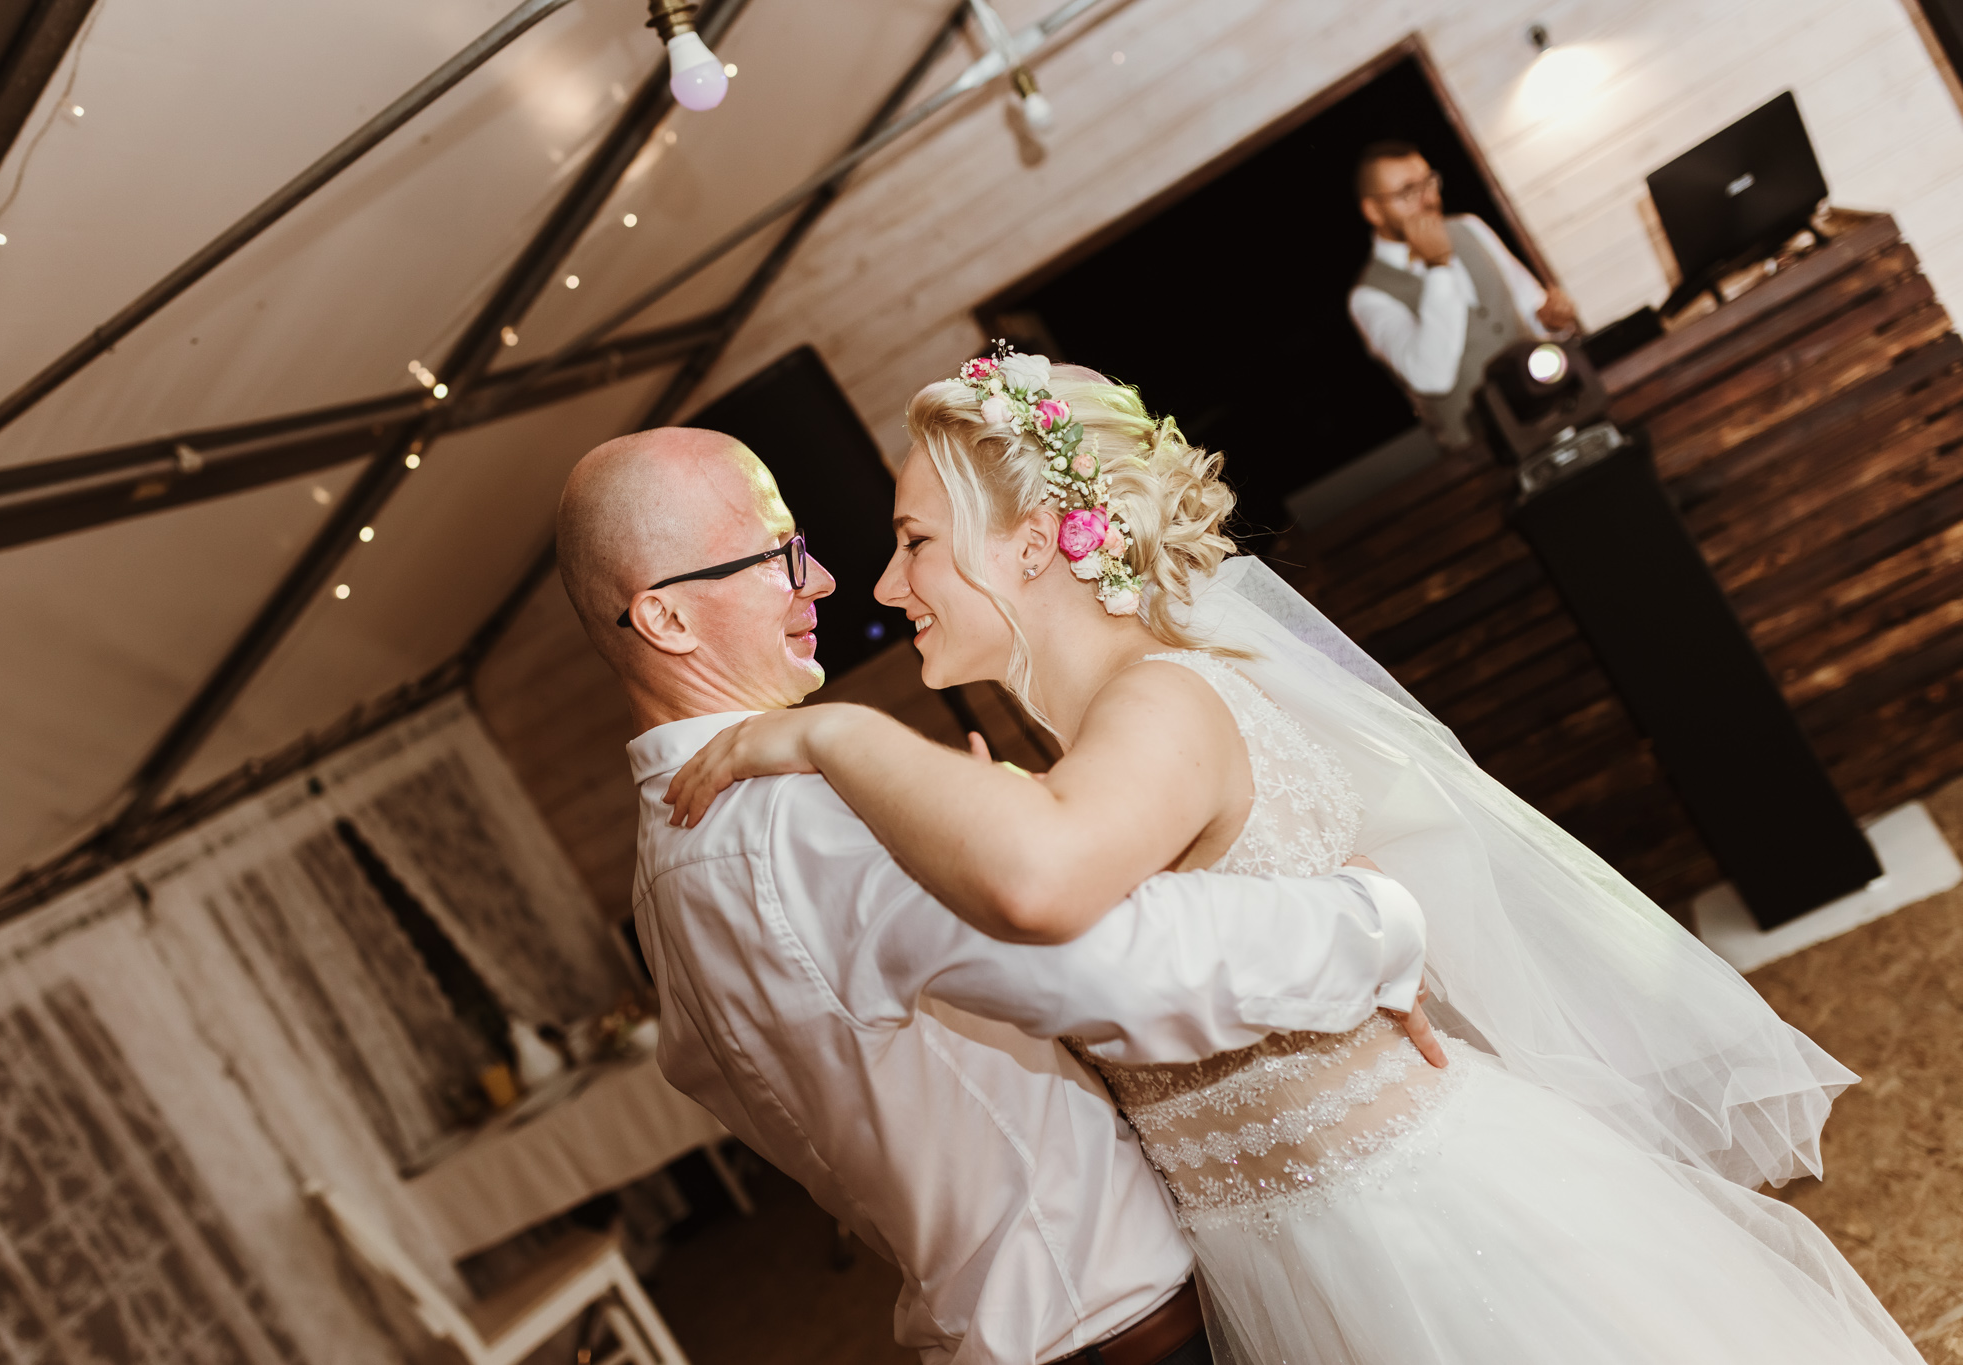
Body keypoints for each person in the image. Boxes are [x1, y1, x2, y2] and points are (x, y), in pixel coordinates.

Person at [667, 351, 1924, 1364]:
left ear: (1034, 543)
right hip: (1284, 1247)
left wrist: (831, 736)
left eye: (916, 542)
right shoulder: (1110, 734)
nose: (889, 584)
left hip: (1404, 1236)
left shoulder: (1158, 706)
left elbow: (1041, 881)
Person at [553, 426, 1446, 1365]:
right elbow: (1126, 964)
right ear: (667, 619)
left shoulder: (664, 865)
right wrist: (1370, 920)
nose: (821, 580)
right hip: (1124, 1329)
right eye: (778, 553)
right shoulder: (804, 819)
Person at [1349, 140, 1578, 452]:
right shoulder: (1368, 296)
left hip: (1554, 406)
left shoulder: (1470, 227)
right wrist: (1438, 267)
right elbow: (1432, 376)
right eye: (1408, 192)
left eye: (1429, 182)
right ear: (1373, 211)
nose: (1428, 199)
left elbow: (1529, 306)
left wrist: (1551, 320)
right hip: (1483, 450)